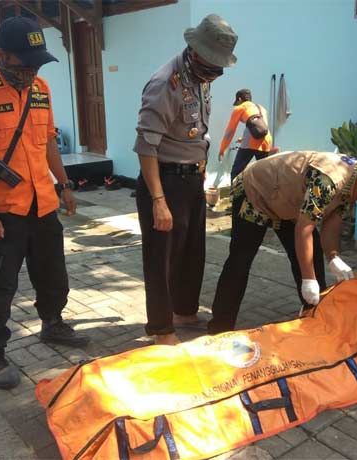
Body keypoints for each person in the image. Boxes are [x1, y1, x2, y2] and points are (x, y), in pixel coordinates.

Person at [0, 17, 89, 389]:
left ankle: (53, 323)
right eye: (24, 63)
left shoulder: (40, 87)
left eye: (37, 63)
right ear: (0, 55)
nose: (31, 70)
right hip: (3, 210)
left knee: (53, 274)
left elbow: (47, 142)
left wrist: (64, 186)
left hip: (42, 202)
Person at [134, 14, 238, 345]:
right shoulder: (166, 83)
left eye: (219, 66)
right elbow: (146, 146)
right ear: (193, 51)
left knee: (193, 251)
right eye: (211, 63)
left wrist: (202, 172)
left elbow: (197, 134)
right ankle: (162, 328)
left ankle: (184, 310)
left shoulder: (199, 78)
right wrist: (158, 201)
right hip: (164, 179)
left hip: (191, 177)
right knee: (161, 258)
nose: (215, 72)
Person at [208, 152, 357, 334]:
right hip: (255, 192)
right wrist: (308, 280)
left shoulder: (351, 184)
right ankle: (219, 328)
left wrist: (333, 258)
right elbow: (304, 230)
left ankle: (315, 318)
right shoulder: (329, 179)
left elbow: (331, 225)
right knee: (240, 260)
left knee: (313, 255)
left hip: (288, 203)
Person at [218, 88, 272, 179]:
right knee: (263, 174)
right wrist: (243, 139)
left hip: (251, 143)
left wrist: (222, 149)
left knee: (236, 173)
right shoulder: (261, 108)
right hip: (266, 142)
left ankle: (236, 193)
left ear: (239, 99)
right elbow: (260, 128)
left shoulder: (240, 108)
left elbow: (230, 132)